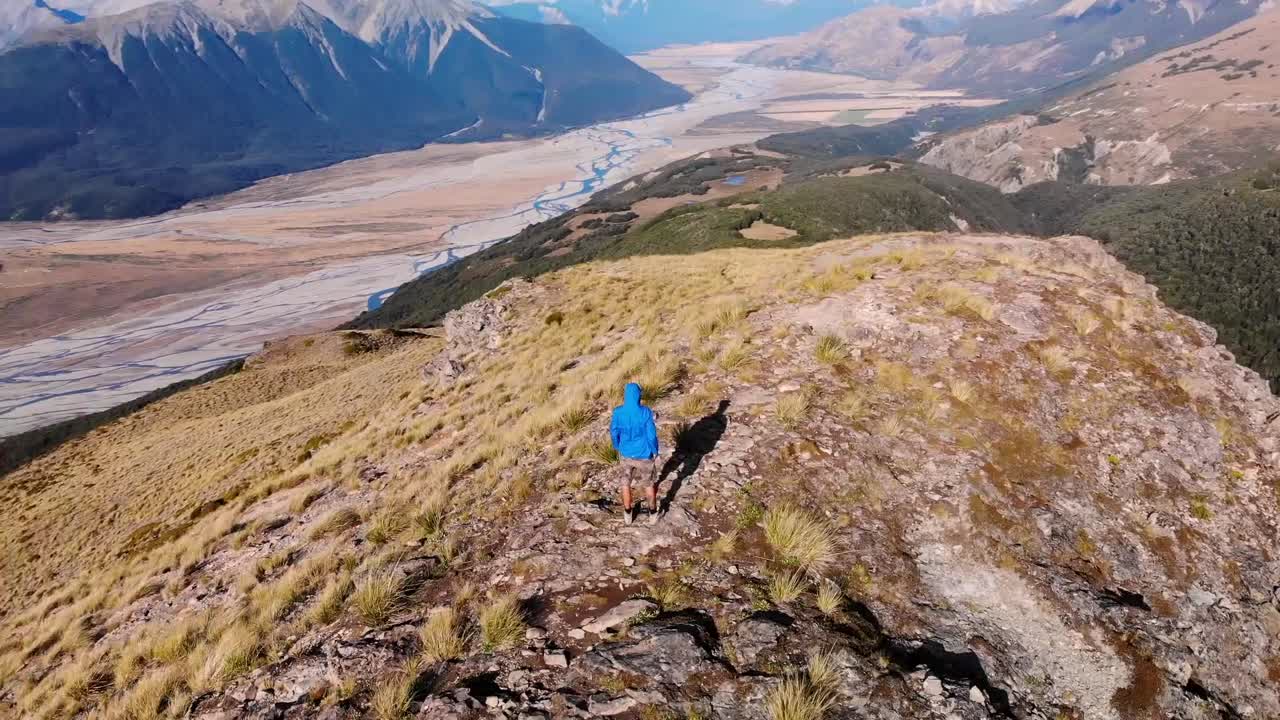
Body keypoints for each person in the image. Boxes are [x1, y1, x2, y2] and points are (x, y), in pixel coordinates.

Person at [610, 382, 660, 525]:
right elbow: (651, 435)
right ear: (639, 395)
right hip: (644, 453)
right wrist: (655, 450)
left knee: (625, 483)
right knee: (648, 484)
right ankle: (652, 513)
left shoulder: (618, 412)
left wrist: (617, 445)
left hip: (626, 453)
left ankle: (627, 513)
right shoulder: (645, 412)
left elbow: (614, 432)